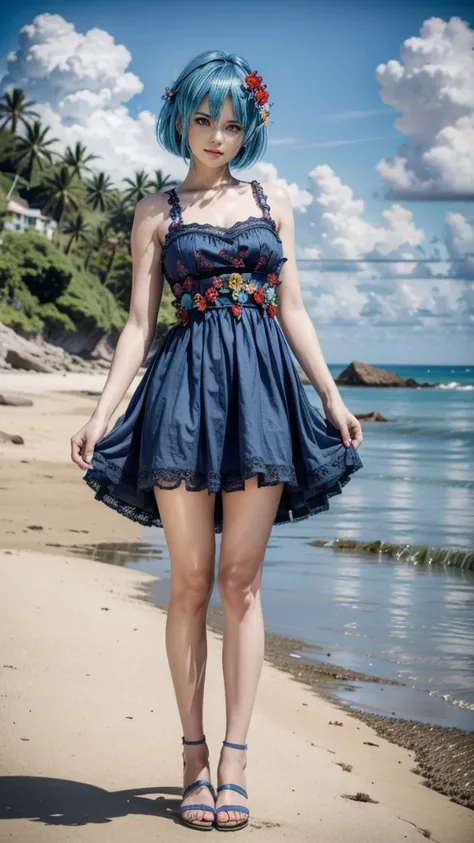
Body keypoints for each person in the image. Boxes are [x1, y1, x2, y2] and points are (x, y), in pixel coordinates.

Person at [71, 49, 363, 832]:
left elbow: (291, 309)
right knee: (192, 583)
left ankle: (236, 760)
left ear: (250, 127)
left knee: (242, 584)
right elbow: (138, 326)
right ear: (181, 118)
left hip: (264, 397)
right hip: (183, 398)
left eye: (233, 122)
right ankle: (193, 759)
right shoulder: (155, 210)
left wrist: (330, 393)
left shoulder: (273, 200)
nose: (218, 134)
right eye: (205, 118)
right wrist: (102, 414)